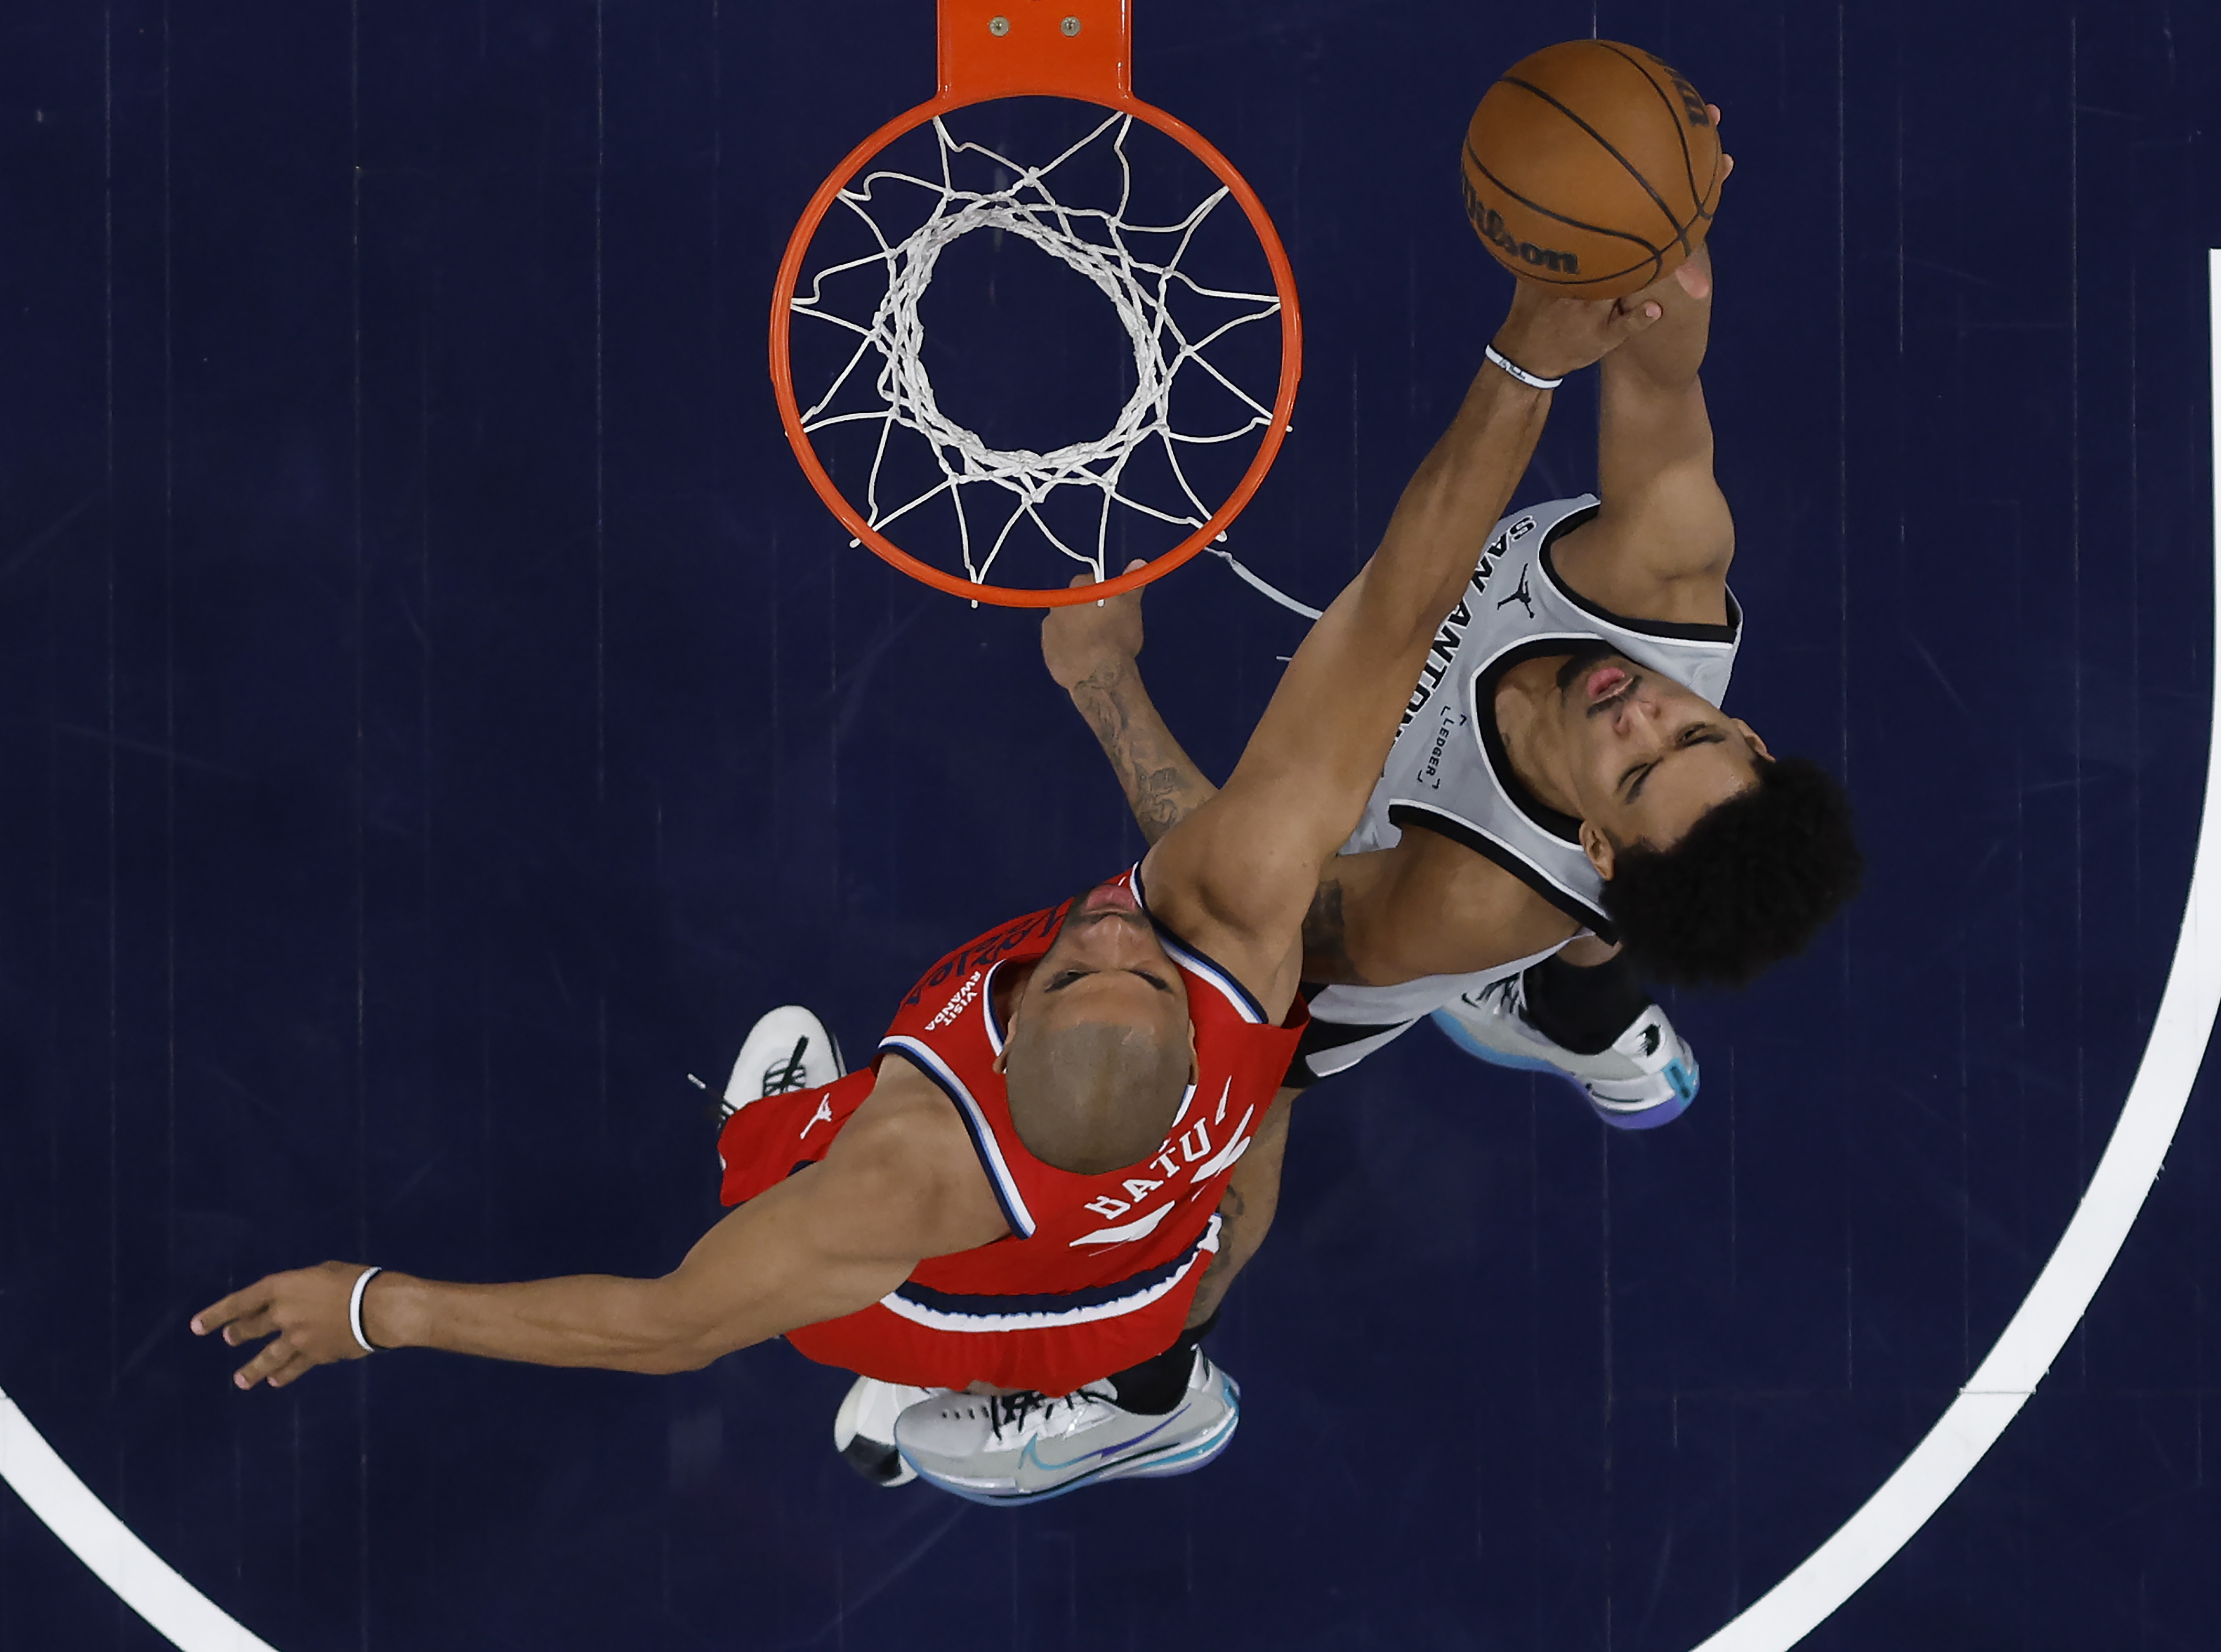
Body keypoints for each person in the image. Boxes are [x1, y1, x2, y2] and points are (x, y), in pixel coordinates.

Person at [190, 273, 1672, 1504]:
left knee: (801, 1212)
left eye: (1094, 958)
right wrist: (1520, 359)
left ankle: (1023, 1396)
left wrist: (379, 1308)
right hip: (1149, 1240)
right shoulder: (1243, 949)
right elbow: (1400, 601)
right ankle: (1153, 1394)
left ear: (983, 1054)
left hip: (950, 1293)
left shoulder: (903, 1171)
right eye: (1126, 951)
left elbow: (666, 1325)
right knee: (1222, 1204)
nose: (1108, 925)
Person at [1037, 147, 1862, 1317]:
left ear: (1599, 840)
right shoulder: (1663, 574)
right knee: (1659, 877)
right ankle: (1582, 1014)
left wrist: (1103, 684)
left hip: (1337, 930)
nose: (1643, 711)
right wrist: (1660, 215)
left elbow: (1229, 899)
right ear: (1753, 738)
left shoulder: (1468, 902)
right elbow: (1664, 367)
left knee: (1234, 1093)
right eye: (1694, 733)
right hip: (1535, 860)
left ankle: (1145, 1386)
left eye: (1636, 770)